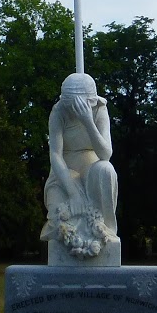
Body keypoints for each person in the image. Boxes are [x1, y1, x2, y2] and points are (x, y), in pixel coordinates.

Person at [41, 72, 119, 260]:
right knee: (62, 217)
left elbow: (105, 154)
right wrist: (73, 193)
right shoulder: (58, 111)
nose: (71, 109)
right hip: (64, 174)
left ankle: (105, 230)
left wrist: (87, 120)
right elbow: (55, 155)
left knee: (106, 169)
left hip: (92, 172)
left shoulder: (99, 110)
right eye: (69, 105)